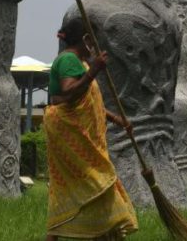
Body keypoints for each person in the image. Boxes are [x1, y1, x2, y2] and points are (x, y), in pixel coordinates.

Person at [44, 17, 138, 240]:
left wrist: (117, 120)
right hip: (69, 132)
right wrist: (93, 70)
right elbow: (69, 92)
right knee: (98, 181)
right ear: (85, 40)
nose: (93, 46)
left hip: (80, 133)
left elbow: (88, 100)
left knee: (93, 184)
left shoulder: (81, 63)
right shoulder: (68, 60)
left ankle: (105, 235)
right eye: (91, 41)